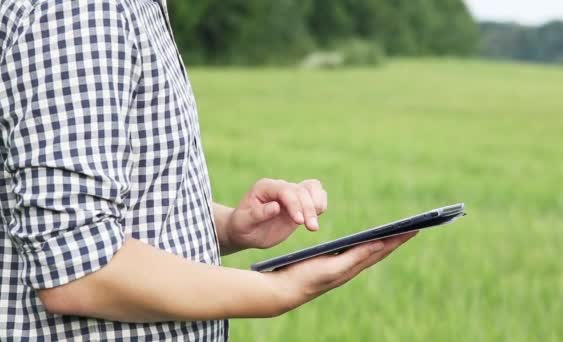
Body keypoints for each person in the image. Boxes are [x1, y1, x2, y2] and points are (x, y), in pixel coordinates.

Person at [0, 0, 417, 340]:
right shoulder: (83, 11)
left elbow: (114, 209)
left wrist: (228, 227)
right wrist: (277, 291)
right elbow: (78, 270)